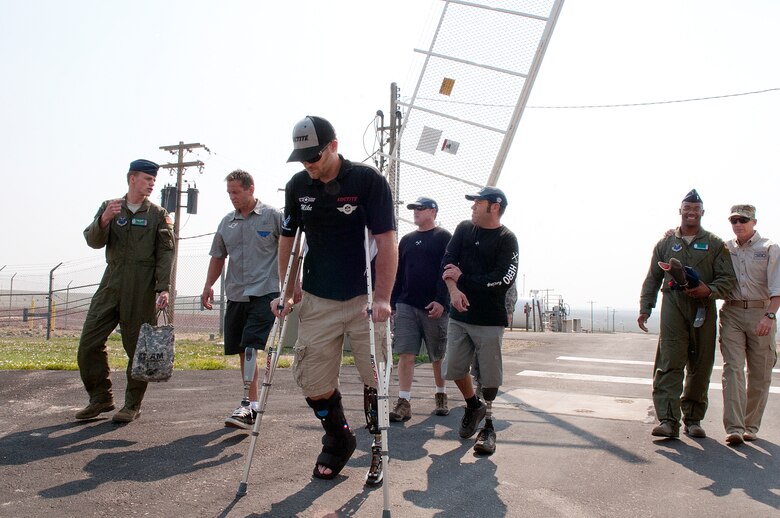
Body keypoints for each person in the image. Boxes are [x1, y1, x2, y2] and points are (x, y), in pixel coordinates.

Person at [272, 116, 398, 486]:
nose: (308, 164)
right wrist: (288, 288)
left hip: (364, 298)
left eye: (314, 155)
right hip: (317, 297)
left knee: (376, 377)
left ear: (333, 146)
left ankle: (378, 446)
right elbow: (287, 239)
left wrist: (385, 298)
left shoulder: (367, 181)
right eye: (302, 157)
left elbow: (387, 241)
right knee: (311, 380)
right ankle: (339, 435)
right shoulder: (298, 186)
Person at [75, 159, 175, 423]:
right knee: (88, 343)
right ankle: (101, 399)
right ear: (132, 178)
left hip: (141, 287)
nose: (152, 183)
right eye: (147, 179)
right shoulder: (111, 207)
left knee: (138, 349)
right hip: (111, 282)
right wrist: (105, 219)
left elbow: (166, 252)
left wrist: (162, 288)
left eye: (153, 180)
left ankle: (132, 404)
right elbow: (93, 241)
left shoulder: (157, 214)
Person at [638, 189, 735, 439]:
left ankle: (693, 419)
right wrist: (645, 308)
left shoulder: (714, 244)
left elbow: (728, 280)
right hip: (673, 304)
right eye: (687, 208)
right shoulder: (666, 243)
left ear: (702, 213)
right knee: (670, 361)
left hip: (703, 305)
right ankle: (669, 421)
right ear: (680, 211)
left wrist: (708, 290)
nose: (691, 212)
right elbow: (652, 278)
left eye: (696, 209)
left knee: (701, 364)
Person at [441, 186, 519, 455]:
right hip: (459, 317)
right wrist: (454, 291)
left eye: (478, 202)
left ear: (494, 206)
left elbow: (501, 280)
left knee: (489, 378)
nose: (473, 206)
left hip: (489, 320)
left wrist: (463, 280)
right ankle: (473, 405)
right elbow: (448, 263)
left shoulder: (507, 239)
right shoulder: (463, 229)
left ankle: (488, 428)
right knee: (452, 367)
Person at [201, 170, 281, 430]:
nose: (232, 197)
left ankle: (248, 403)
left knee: (250, 346)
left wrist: (292, 287)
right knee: (240, 349)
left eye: (236, 192)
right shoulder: (226, 222)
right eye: (229, 193)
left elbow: (291, 250)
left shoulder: (273, 217)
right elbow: (217, 257)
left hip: (266, 292)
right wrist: (208, 285)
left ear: (250, 189)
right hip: (236, 294)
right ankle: (252, 404)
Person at [719, 204, 779, 445]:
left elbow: (777, 288)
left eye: (743, 220)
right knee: (732, 369)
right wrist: (673, 233)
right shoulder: (724, 248)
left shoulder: (770, 248)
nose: (738, 224)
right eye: (733, 220)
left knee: (759, 373)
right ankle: (734, 427)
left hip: (761, 313)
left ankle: (750, 426)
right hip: (732, 312)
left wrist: (770, 315)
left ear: (754, 221)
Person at [389, 197, 452, 422]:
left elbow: (447, 272)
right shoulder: (406, 240)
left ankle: (441, 394)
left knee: (437, 355)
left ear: (433, 211)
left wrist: (441, 301)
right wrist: (393, 301)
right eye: (414, 208)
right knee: (406, 354)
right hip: (406, 304)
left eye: (420, 208)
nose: (415, 212)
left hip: (434, 306)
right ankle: (404, 402)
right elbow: (398, 273)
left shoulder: (444, 237)